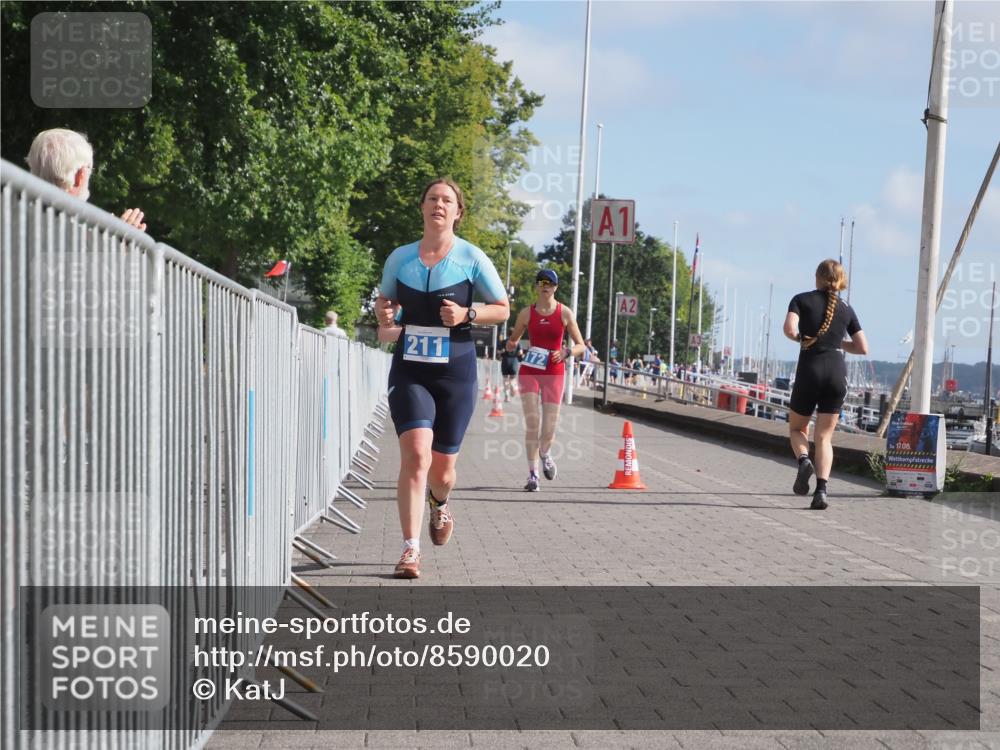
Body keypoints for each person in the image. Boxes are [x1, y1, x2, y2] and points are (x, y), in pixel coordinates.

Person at [374, 178, 509, 578]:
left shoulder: (471, 257)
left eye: (447, 200)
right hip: (410, 368)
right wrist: (384, 312)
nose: (439, 204)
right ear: (422, 207)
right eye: (432, 198)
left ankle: (440, 502)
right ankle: (410, 549)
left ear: (458, 212)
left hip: (456, 372)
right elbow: (386, 301)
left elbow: (502, 308)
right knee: (416, 454)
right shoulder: (400, 258)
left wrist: (468, 314)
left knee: (442, 471)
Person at [783, 259, 868, 510]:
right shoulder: (847, 308)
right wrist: (836, 342)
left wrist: (804, 339)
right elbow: (862, 348)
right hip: (836, 373)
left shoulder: (800, 299)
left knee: (797, 429)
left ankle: (803, 461)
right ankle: (821, 490)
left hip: (809, 371)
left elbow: (789, 329)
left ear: (817, 277)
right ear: (841, 281)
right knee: (824, 437)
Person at [505, 268, 585, 491]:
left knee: (550, 426)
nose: (545, 286)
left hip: (554, 371)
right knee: (533, 423)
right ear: (536, 286)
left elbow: (581, 345)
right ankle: (533, 475)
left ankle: (545, 453)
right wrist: (511, 344)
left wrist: (567, 352)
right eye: (541, 282)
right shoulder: (526, 313)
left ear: (556, 287)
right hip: (530, 370)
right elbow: (514, 339)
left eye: (549, 283)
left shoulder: (564, 313)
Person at [26, 129, 147, 231]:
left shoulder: (20, 216)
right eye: (90, 169)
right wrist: (119, 243)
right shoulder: (79, 233)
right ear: (81, 175)